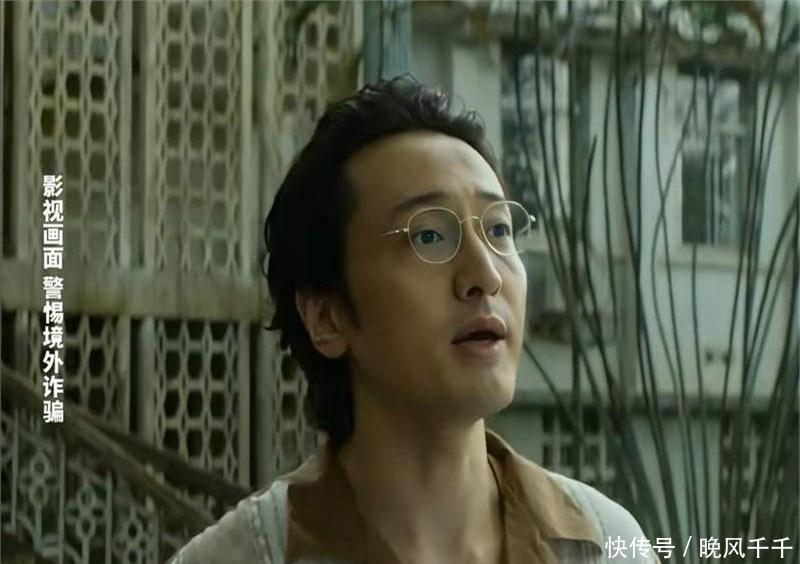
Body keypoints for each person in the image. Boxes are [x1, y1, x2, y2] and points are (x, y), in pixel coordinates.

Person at [169, 76, 655, 564]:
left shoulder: (607, 545)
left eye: (498, 229)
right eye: (428, 236)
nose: (485, 275)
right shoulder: (242, 557)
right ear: (327, 317)